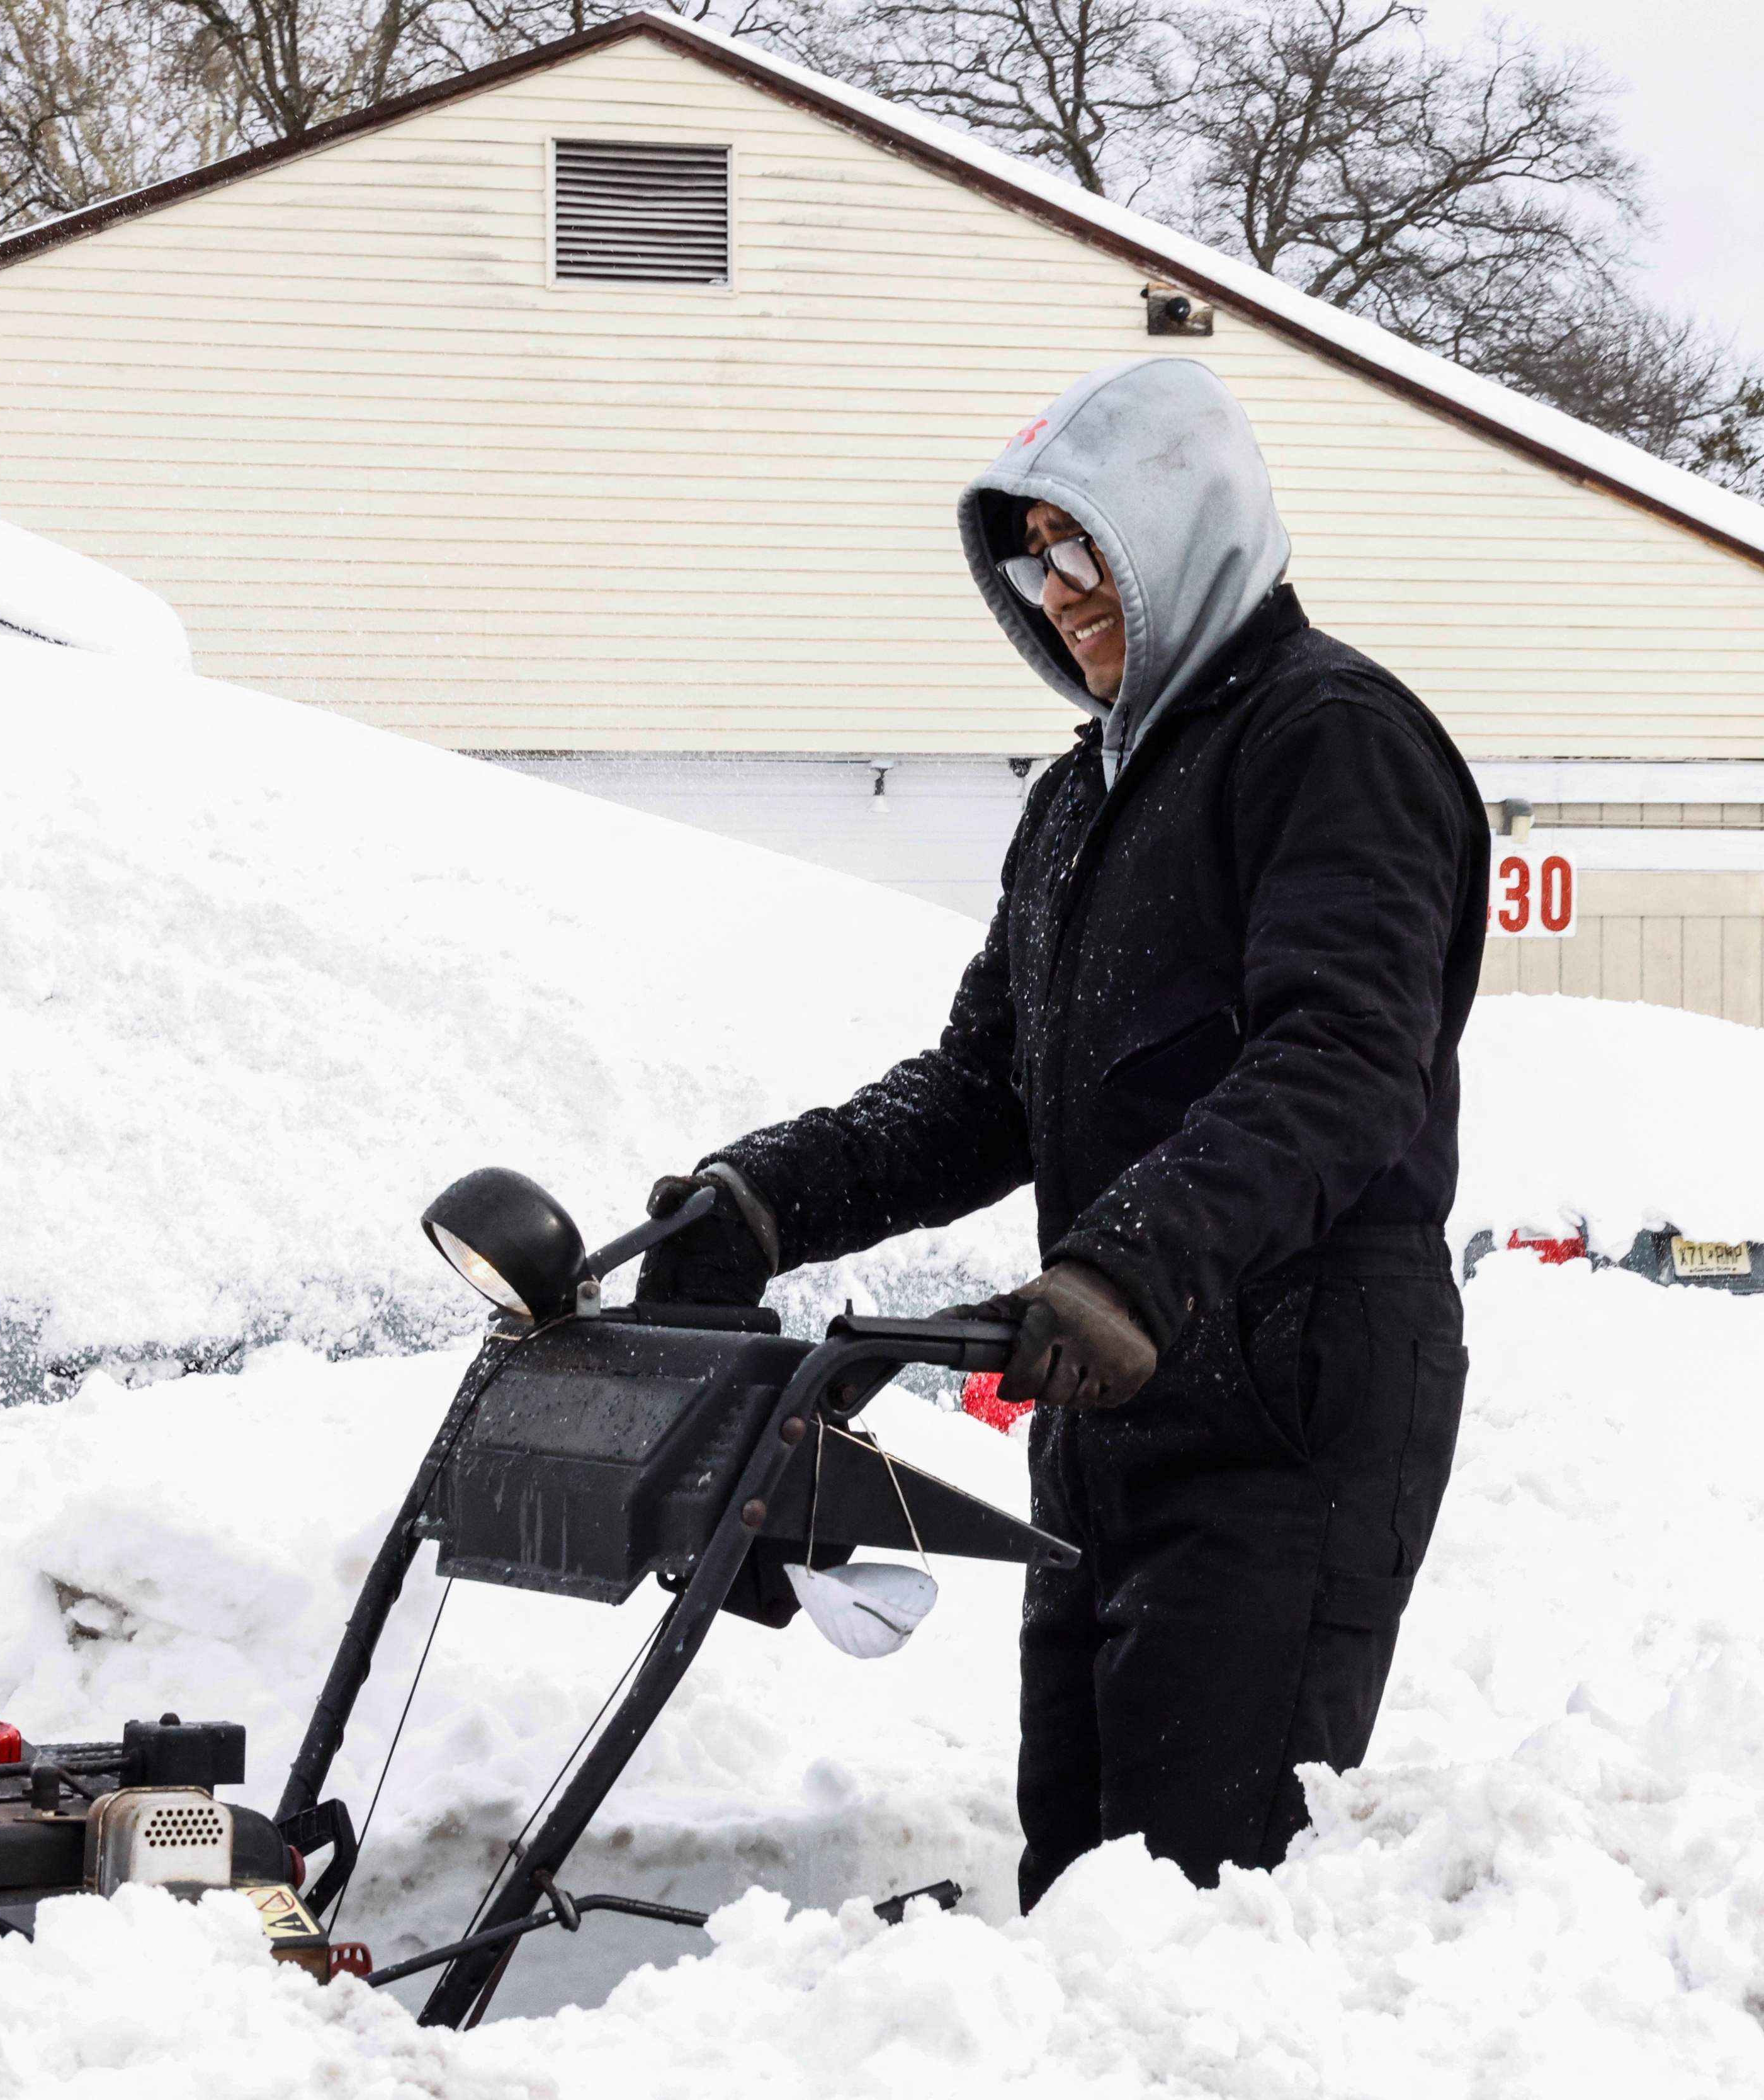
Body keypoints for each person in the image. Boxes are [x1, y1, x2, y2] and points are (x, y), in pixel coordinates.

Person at [635, 356, 1486, 1907]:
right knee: (1079, 1868)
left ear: (1178, 530)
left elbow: (1351, 1059)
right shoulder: (1085, 800)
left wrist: (1131, 1268)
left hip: (1288, 1385)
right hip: (1115, 1379)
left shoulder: (1331, 742)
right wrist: (763, 1199)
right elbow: (981, 1088)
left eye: (1079, 550)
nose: (1054, 592)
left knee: (1196, 1885)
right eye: (1029, 560)